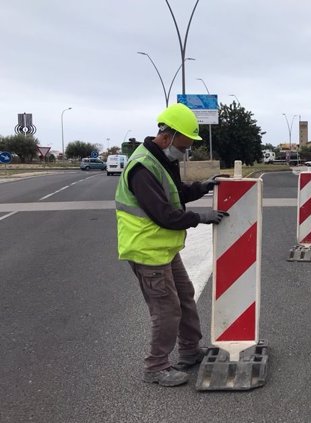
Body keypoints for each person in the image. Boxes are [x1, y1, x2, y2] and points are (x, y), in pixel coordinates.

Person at [115, 103, 229, 387]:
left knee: (185, 296)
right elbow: (165, 214)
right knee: (166, 309)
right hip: (147, 250)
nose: (186, 150)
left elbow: (175, 194)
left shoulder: (162, 161)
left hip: (162, 247)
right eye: (184, 144)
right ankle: (156, 366)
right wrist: (200, 217)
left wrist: (203, 186)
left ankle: (190, 351)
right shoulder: (142, 168)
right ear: (166, 136)